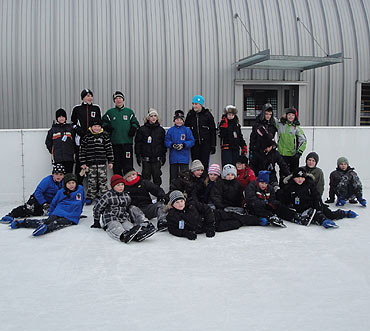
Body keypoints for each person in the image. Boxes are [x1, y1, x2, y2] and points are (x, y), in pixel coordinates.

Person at [9, 173, 85, 236]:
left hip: (71, 217)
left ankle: (45, 229)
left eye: (73, 183)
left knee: (57, 223)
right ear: (65, 184)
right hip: (59, 211)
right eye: (69, 183)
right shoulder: (61, 191)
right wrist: (51, 213)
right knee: (46, 221)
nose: (71, 185)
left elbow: (82, 202)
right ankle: (22, 223)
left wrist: (78, 214)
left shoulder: (80, 190)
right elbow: (54, 203)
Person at [93, 174, 156, 243]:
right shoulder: (107, 195)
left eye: (122, 185)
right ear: (113, 186)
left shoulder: (126, 196)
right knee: (116, 226)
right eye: (118, 185)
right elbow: (97, 208)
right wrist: (96, 221)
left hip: (122, 218)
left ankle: (137, 235)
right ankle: (123, 235)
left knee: (129, 226)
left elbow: (127, 207)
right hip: (110, 218)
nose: (121, 187)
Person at [0, 164, 65, 224]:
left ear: (63, 175)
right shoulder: (47, 180)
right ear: (53, 174)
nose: (58, 176)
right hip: (37, 199)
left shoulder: (63, 183)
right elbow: (38, 192)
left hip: (48, 202)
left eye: (61, 174)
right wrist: (43, 202)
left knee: (39, 212)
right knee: (28, 209)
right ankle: (11, 215)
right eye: (56, 174)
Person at [210, 164, 263, 231]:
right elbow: (216, 196)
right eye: (228, 174)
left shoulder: (238, 184)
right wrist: (222, 206)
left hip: (235, 208)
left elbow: (240, 196)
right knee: (231, 217)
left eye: (232, 175)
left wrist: (240, 205)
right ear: (224, 175)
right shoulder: (219, 184)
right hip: (223, 208)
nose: (230, 176)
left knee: (239, 216)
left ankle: (258, 220)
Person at [102, 91, 140, 176]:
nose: (118, 100)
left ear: (123, 100)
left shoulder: (129, 112)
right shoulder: (110, 113)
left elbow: (136, 123)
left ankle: (129, 186)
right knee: (117, 166)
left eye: (120, 98)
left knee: (128, 166)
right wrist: (107, 127)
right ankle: (118, 186)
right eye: (116, 98)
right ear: (114, 101)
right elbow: (102, 123)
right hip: (115, 144)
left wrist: (133, 128)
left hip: (127, 143)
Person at [79, 118, 114, 205]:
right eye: (95, 126)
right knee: (92, 181)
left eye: (98, 126)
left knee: (103, 180)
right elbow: (82, 150)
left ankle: (104, 195)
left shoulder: (104, 136)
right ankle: (91, 196)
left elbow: (109, 149)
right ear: (91, 127)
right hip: (91, 164)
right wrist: (83, 163)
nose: (97, 128)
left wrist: (110, 161)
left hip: (102, 163)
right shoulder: (87, 137)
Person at [71, 89, 102, 183]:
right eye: (87, 96)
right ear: (83, 98)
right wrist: (78, 130)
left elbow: (99, 123)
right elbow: (73, 122)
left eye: (91, 96)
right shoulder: (77, 109)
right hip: (80, 140)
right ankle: (78, 185)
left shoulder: (96, 108)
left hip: (92, 140)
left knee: (92, 164)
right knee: (80, 164)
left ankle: (93, 189)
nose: (90, 98)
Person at [134, 108, 166, 186]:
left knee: (157, 178)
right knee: (145, 178)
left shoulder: (161, 130)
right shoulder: (142, 129)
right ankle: (146, 196)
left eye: (155, 116)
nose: (153, 118)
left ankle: (159, 197)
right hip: (146, 159)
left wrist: (163, 155)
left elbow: (163, 144)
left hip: (157, 159)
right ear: (148, 118)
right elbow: (138, 143)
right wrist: (138, 155)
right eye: (151, 116)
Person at [185, 95, 216, 169]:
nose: (194, 106)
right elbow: (186, 129)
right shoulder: (190, 115)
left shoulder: (207, 115)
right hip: (194, 144)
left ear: (201, 105)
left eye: (196, 104)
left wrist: (213, 145)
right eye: (193, 104)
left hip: (205, 144)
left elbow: (212, 130)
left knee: (204, 165)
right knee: (195, 165)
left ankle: (204, 180)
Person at [165, 109, 195, 183]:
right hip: (174, 158)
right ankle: (172, 191)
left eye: (180, 120)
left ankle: (184, 192)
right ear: (174, 120)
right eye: (177, 119)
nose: (179, 121)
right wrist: (172, 145)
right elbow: (166, 141)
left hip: (184, 158)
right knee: (173, 177)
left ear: (183, 121)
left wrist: (184, 145)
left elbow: (192, 141)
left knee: (185, 177)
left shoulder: (186, 130)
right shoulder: (171, 130)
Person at [276, 108, 307, 173]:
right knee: (283, 174)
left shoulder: (296, 128)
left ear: (295, 117)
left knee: (293, 175)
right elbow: (272, 120)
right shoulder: (280, 124)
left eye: (292, 115)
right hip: (282, 154)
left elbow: (303, 140)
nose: (291, 117)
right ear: (286, 115)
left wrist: (299, 152)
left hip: (292, 156)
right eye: (289, 115)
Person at [45, 108, 75, 173]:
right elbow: (48, 142)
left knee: (68, 176)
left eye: (63, 117)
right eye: (59, 117)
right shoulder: (53, 130)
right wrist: (53, 151)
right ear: (57, 118)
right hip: (58, 158)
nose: (61, 118)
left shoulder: (70, 129)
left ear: (66, 118)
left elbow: (74, 142)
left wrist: (73, 151)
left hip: (69, 157)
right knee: (59, 176)